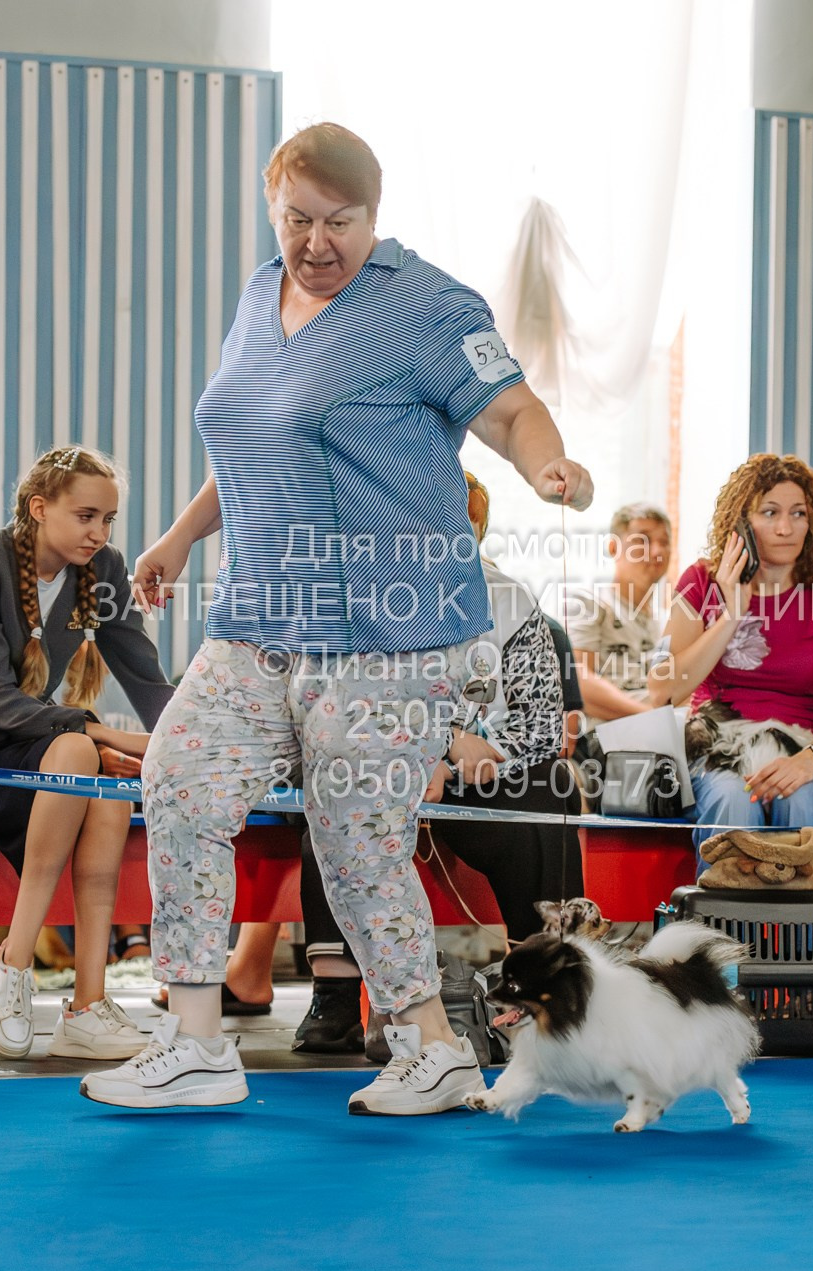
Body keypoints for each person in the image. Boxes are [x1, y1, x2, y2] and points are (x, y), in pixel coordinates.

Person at [80, 123, 591, 1114]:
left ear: (374, 215)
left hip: (389, 630)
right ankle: (192, 1042)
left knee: (356, 836)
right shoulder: (254, 295)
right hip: (259, 617)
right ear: (272, 209)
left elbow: (510, 408)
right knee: (178, 777)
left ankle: (432, 1047)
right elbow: (250, 444)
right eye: (297, 220)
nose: (316, 243)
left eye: (339, 223)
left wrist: (544, 464)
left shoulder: (426, 305)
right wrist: (182, 537)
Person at [289, 471, 576, 1053]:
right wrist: (433, 746)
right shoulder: (356, 592)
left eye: (463, 523)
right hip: (380, 760)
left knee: (551, 783)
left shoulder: (512, 601)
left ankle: (537, 978)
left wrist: (476, 754)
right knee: (339, 782)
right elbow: (336, 702)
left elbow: (543, 722)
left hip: (482, 774)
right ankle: (337, 996)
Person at [0, 446, 168, 1059]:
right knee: (84, 753)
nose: (99, 533)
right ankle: (15, 960)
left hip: (32, 750)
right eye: (85, 516)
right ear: (39, 507)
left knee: (107, 797)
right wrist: (100, 732)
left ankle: (85, 1004)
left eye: (108, 520)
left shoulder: (102, 568)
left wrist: (189, 735)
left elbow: (147, 677)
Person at [658, 454, 813, 865]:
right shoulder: (700, 582)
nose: (786, 528)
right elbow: (664, 691)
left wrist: (807, 762)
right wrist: (731, 614)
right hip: (718, 748)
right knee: (735, 802)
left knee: (800, 804)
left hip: (809, 751)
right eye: (770, 513)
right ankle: (723, 929)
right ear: (741, 525)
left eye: (798, 514)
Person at [565, 501, 671, 726]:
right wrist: (655, 718)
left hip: (665, 730)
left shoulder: (667, 621)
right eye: (643, 540)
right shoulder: (589, 602)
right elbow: (578, 682)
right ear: (614, 548)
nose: (657, 551)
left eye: (665, 542)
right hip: (609, 736)